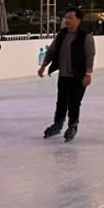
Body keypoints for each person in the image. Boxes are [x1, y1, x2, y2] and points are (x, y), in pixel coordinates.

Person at [38, 7, 95, 141]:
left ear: (79, 20)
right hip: (63, 75)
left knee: (75, 102)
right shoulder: (61, 35)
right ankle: (58, 124)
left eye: (71, 18)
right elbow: (51, 51)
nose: (67, 20)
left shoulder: (86, 37)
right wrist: (43, 66)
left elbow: (90, 56)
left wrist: (88, 74)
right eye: (66, 17)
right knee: (61, 102)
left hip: (79, 76)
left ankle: (73, 125)